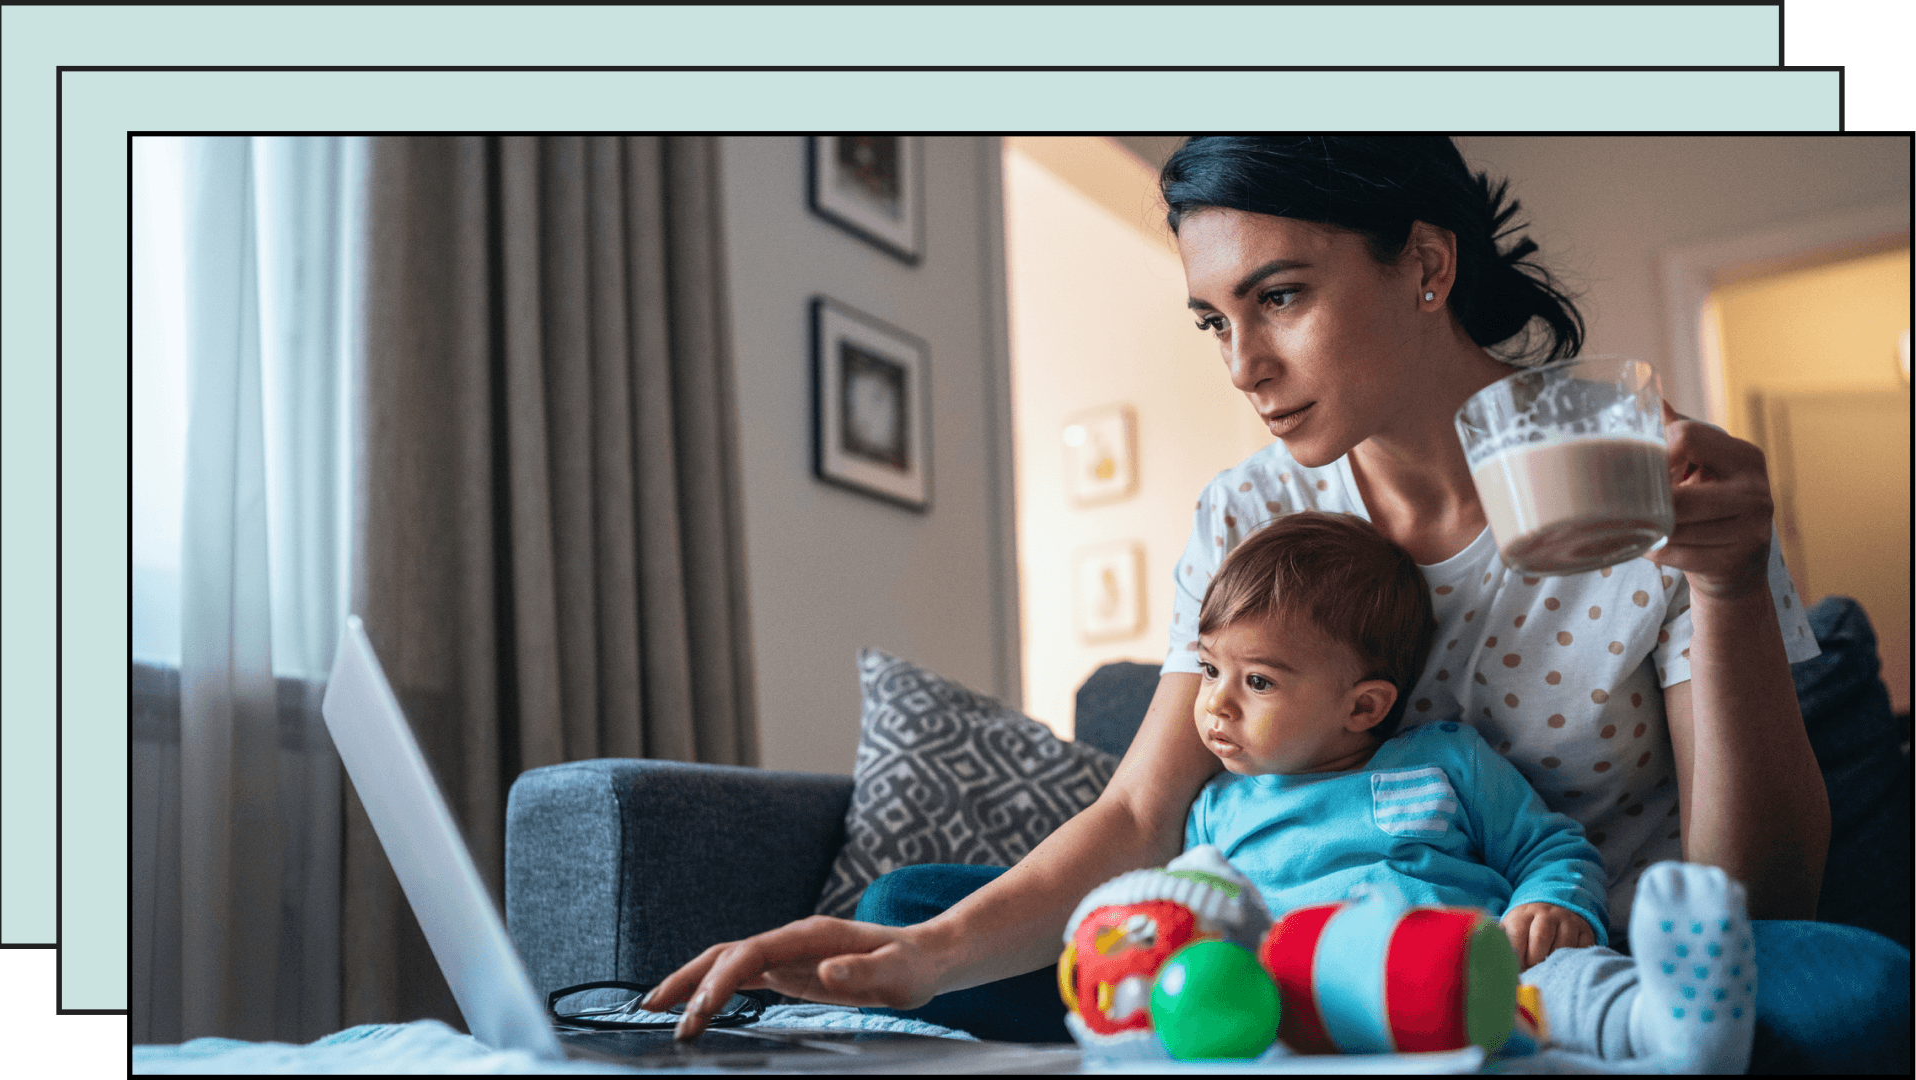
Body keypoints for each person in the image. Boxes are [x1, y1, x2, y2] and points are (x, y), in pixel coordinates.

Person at [644, 137, 1909, 1071]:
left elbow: (1760, 896)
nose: (1245, 365)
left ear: (1426, 266)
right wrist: (927, 955)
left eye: (1281, 296)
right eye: (1214, 320)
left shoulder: (1648, 473)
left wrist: (1727, 585)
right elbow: (1142, 814)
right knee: (907, 914)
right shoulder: (1247, 512)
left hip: (1577, 969)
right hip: (1293, 951)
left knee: (1852, 987)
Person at [1174, 509, 1751, 1070]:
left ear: (1364, 706)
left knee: (1566, 982)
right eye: (1209, 669)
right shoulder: (1216, 812)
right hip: (1322, 1008)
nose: (1217, 702)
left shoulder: (1445, 761)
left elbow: (1549, 849)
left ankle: (1671, 1030)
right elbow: (1197, 920)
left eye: (1258, 681)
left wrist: (1552, 903)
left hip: (1484, 980)